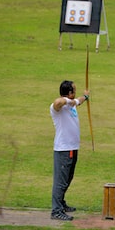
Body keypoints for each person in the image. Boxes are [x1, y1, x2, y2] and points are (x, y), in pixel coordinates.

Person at [50, 80, 90, 221]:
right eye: (74, 90)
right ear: (69, 93)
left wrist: (84, 97)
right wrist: (69, 101)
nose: (76, 92)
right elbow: (57, 102)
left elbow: (78, 100)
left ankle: (60, 203)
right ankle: (56, 211)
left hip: (73, 147)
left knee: (68, 178)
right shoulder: (58, 107)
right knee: (61, 181)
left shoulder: (72, 105)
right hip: (63, 149)